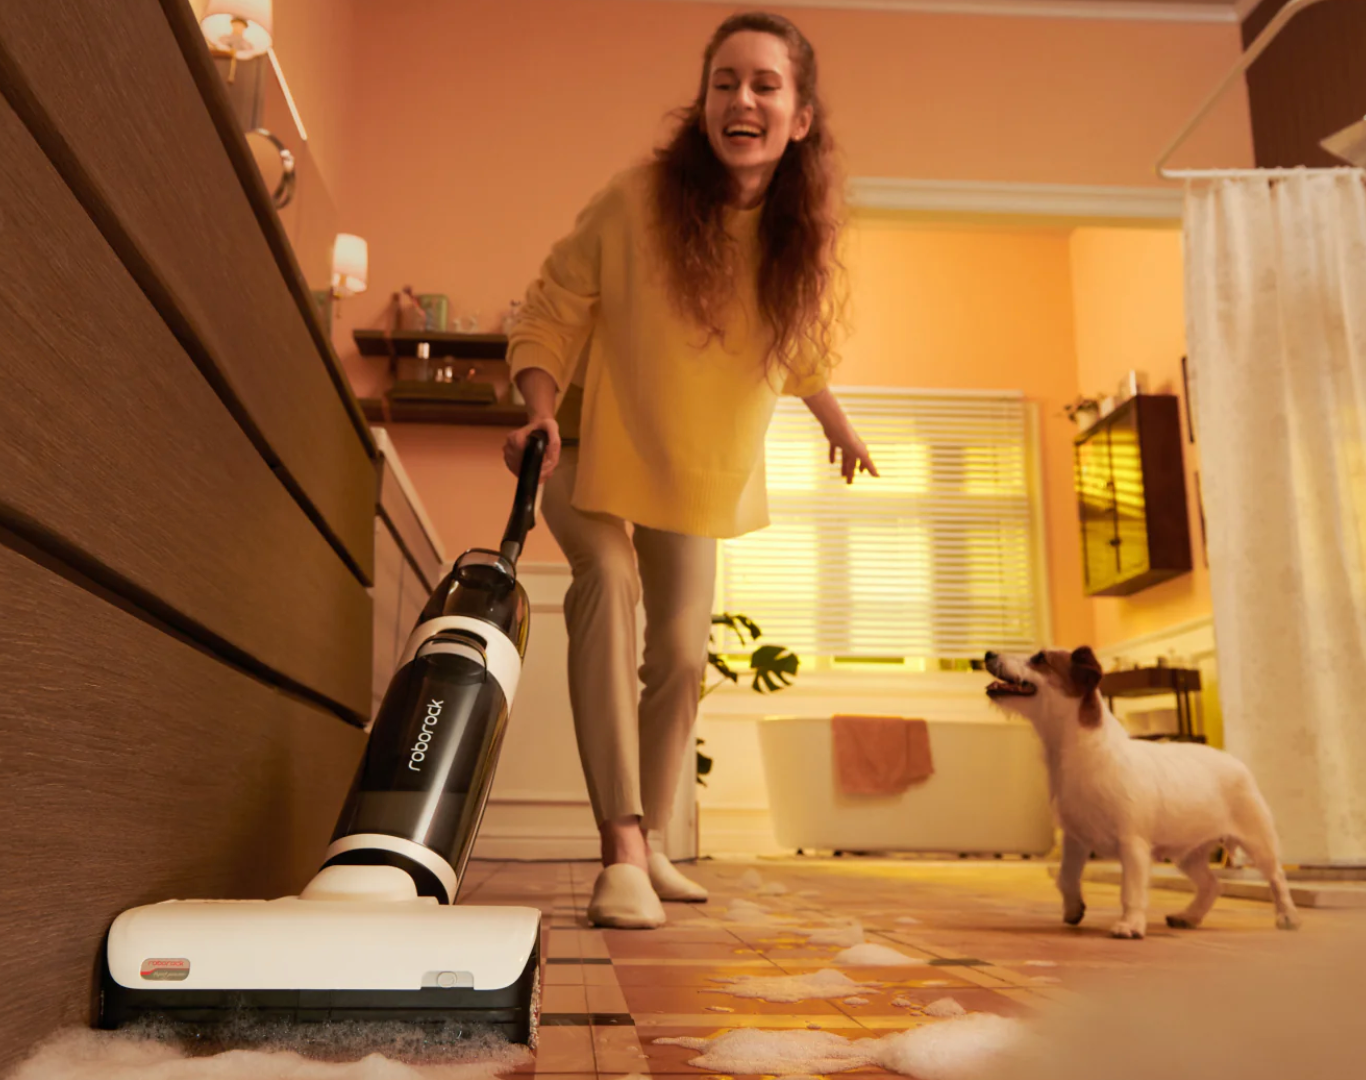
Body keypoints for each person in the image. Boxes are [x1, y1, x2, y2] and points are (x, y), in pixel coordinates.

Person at [503, 11, 876, 929]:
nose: (740, 99)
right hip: (584, 443)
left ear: (801, 117)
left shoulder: (795, 238)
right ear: (703, 100)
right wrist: (539, 412)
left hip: (690, 467)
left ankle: (658, 844)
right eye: (724, 82)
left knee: (676, 654)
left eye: (764, 85)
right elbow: (552, 306)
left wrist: (837, 422)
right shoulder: (634, 200)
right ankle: (622, 847)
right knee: (610, 575)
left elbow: (796, 353)